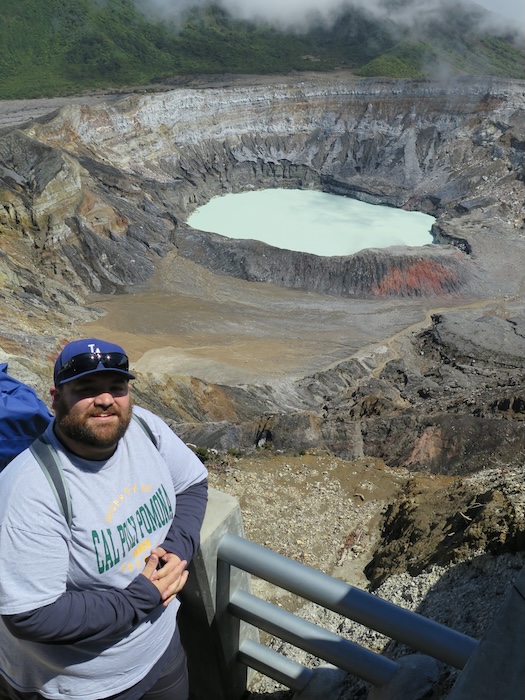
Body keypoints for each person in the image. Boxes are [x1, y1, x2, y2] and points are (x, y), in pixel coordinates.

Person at [0, 338, 208, 700]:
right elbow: (31, 614)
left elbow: (191, 484)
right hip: (79, 688)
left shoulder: (144, 429)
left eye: (117, 387)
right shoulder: (28, 490)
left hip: (160, 653)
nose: (106, 399)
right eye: (86, 388)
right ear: (55, 396)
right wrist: (139, 598)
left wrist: (177, 550)